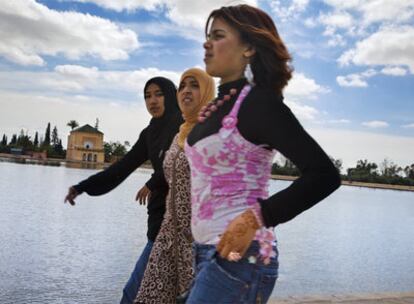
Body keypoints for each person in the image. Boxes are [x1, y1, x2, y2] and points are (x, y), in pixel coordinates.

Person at [184, 5, 341, 303]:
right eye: (207, 36)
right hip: (208, 250)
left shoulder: (259, 104)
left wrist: (256, 217)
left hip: (243, 254)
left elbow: (324, 175)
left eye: (218, 36)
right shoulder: (216, 108)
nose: (207, 43)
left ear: (249, 48)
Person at [63, 77, 183, 304]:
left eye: (158, 94)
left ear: (171, 94)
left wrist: (152, 183)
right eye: (147, 96)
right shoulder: (149, 133)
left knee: (134, 294)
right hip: (158, 223)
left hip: (184, 226)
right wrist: (82, 187)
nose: (152, 100)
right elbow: (122, 167)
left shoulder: (184, 125)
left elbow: (182, 162)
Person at [135, 68, 215, 304]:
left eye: (194, 85)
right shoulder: (180, 134)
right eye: (182, 86)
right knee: (148, 297)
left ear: (207, 92)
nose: (187, 91)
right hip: (169, 236)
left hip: (197, 241)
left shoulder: (213, 133)